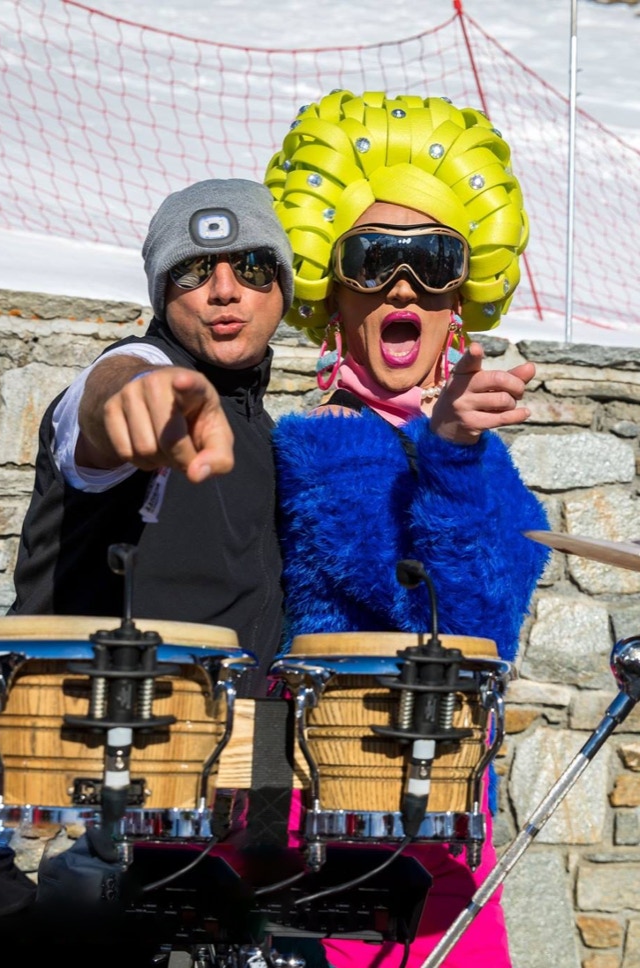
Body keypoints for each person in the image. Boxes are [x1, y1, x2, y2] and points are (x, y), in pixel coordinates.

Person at [0, 177, 309, 967]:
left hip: (195, 799)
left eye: (250, 266)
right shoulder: (140, 374)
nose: (223, 290)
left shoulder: (269, 434)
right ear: (159, 292)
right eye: (192, 270)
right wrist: (136, 396)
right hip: (45, 793)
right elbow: (102, 408)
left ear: (282, 285)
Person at [262, 90, 551, 968]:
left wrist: (457, 449)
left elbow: (490, 634)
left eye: (433, 260)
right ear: (332, 292)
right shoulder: (310, 446)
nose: (402, 283)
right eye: (373, 256)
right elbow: (416, 605)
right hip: (342, 825)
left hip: (454, 832)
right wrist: (454, 451)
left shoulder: (473, 452)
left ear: (460, 297)